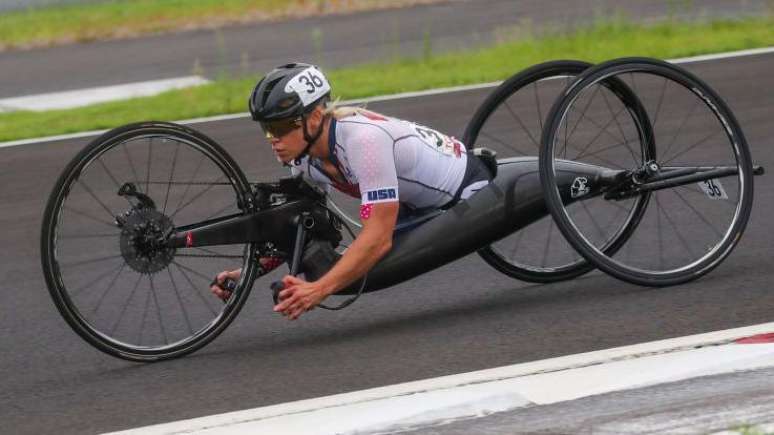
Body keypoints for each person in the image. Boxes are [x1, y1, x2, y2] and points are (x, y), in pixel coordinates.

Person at [210, 62, 493, 320]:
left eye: (282, 127)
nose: (273, 139)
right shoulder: (303, 161)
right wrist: (246, 274)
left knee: (360, 256)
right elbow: (298, 232)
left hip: (466, 190)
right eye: (267, 129)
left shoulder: (363, 142)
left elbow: (379, 238)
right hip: (415, 207)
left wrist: (318, 290)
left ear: (315, 117)